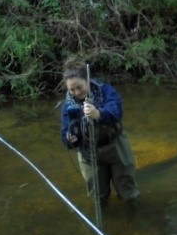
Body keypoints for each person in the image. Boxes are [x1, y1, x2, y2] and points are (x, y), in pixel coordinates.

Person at [60, 56, 140, 204]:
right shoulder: (67, 106)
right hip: (88, 152)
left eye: (80, 87)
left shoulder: (106, 91)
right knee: (98, 196)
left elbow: (116, 111)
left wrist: (98, 114)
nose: (77, 92)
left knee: (128, 191)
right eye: (72, 90)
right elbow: (65, 133)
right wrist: (69, 139)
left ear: (87, 81)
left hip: (115, 145)